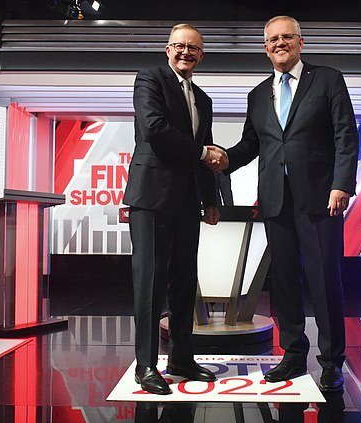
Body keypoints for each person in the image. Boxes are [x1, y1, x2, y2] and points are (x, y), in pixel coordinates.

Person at [218, 15, 359, 392]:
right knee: (283, 282)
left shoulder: (327, 79)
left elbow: (346, 134)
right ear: (265, 48)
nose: (279, 43)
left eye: (286, 37)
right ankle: (294, 354)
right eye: (272, 39)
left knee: (325, 280)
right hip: (275, 201)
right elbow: (253, 144)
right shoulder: (258, 94)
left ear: (300, 42)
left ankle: (331, 362)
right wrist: (225, 158)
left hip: (320, 198)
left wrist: (341, 183)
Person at [123, 23, 227, 395]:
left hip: (187, 201)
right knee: (149, 282)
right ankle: (146, 365)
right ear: (168, 49)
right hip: (150, 197)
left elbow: (208, 150)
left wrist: (212, 200)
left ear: (202, 55)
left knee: (184, 282)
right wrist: (202, 152)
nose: (186, 52)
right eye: (180, 46)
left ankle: (182, 358)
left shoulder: (203, 98)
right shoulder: (149, 78)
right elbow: (154, 129)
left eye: (194, 48)